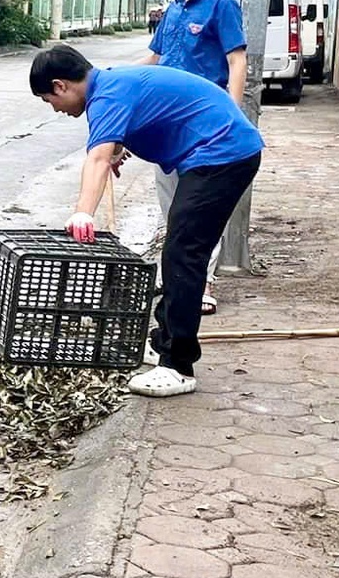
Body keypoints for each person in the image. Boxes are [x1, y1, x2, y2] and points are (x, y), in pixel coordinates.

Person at [32, 43, 263, 398]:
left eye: (50, 100)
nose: (56, 110)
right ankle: (162, 341)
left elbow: (96, 160)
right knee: (178, 250)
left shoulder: (106, 97)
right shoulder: (111, 84)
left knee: (184, 254)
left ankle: (178, 366)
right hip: (218, 151)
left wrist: (82, 212)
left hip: (222, 154)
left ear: (61, 85)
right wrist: (121, 146)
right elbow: (140, 121)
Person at [140, 0, 246, 314]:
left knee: (199, 209)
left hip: (205, 126)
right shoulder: (173, 11)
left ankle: (202, 284)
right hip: (167, 125)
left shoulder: (222, 7)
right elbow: (154, 61)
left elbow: (236, 61)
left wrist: (231, 115)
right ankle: (178, 280)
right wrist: (104, 80)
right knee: (171, 209)